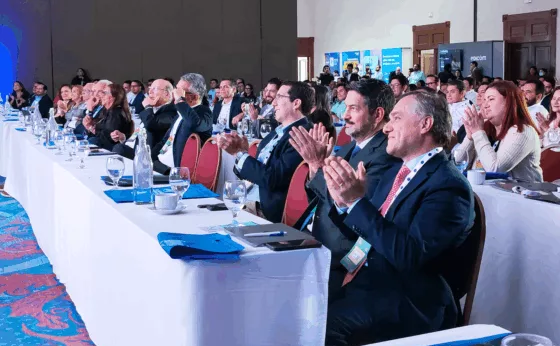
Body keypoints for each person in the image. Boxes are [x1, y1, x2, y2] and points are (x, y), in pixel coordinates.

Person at [320, 89, 473, 346]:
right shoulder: (396, 172)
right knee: (299, 299)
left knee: (322, 326)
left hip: (409, 299)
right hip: (367, 277)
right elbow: (368, 232)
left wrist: (357, 203)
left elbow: (409, 255)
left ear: (425, 124)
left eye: (397, 118)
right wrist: (344, 204)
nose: (387, 127)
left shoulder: (448, 187)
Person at [290, 80, 399, 294]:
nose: (344, 115)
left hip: (342, 256)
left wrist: (317, 165)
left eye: (353, 108)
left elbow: (351, 209)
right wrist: (315, 168)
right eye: (345, 107)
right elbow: (320, 197)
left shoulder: (386, 154)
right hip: (313, 237)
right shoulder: (349, 147)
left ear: (378, 114)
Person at [219, 82, 314, 222]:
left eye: (279, 97)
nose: (274, 103)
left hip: (264, 210)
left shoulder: (301, 135)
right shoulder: (279, 131)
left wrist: (239, 154)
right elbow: (259, 171)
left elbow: (272, 179)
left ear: (296, 103)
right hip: (247, 199)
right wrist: (243, 152)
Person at [455, 80, 543, 182]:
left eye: (491, 99)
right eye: (484, 100)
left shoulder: (523, 131)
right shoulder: (486, 128)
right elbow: (458, 164)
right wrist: (470, 137)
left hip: (521, 191)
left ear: (508, 102)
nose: (485, 105)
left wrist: (478, 133)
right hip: (484, 190)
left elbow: (495, 169)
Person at [151, 73, 213, 174]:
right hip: (162, 167)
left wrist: (180, 100)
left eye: (179, 91)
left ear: (194, 97)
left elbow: (195, 124)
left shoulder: (204, 112)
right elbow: (165, 141)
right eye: (176, 89)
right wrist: (150, 157)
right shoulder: (180, 113)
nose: (175, 93)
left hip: (180, 173)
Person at [112, 79, 178, 157]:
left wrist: (148, 107)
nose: (150, 92)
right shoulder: (151, 110)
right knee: (118, 148)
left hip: (149, 155)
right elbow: (139, 134)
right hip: (136, 149)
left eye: (155, 89)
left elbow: (151, 124)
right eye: (150, 88)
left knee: (119, 149)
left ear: (166, 94)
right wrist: (123, 137)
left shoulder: (171, 111)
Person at [83, 84, 134, 151]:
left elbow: (108, 137)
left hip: (111, 148)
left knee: (93, 140)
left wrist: (90, 127)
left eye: (105, 93)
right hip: (103, 145)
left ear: (113, 97)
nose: (101, 95)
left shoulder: (116, 113)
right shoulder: (105, 110)